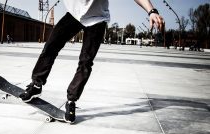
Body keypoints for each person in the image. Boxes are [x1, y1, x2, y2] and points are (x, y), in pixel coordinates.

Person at [19, 0, 164, 123]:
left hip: (97, 19)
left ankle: (71, 101)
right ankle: (37, 84)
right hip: (74, 15)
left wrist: (152, 11)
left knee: (85, 62)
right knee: (50, 46)